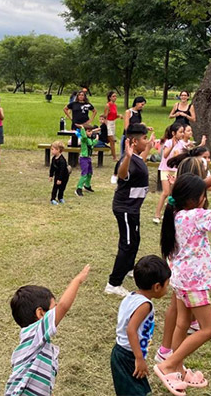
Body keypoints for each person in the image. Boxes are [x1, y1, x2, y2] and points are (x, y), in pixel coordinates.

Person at [153, 174, 211, 394]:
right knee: (209, 329)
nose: (205, 197)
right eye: (203, 195)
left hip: (181, 279)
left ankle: (177, 366)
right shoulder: (197, 215)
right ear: (193, 199)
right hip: (194, 283)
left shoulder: (177, 215)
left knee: (183, 323)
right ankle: (168, 365)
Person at [5, 265, 90, 396]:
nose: (56, 312)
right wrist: (77, 280)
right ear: (40, 313)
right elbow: (64, 306)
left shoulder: (32, 339)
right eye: (53, 309)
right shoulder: (35, 333)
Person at [105, 123, 155, 297]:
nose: (146, 141)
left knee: (135, 240)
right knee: (126, 244)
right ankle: (113, 283)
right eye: (143, 139)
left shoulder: (138, 158)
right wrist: (126, 156)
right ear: (133, 141)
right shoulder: (128, 160)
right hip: (125, 208)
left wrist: (148, 146)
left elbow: (141, 161)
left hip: (133, 209)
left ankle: (128, 268)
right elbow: (122, 174)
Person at [111, 255, 171, 396]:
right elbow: (131, 329)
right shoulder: (144, 305)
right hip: (128, 356)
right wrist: (139, 358)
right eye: (167, 284)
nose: (168, 288)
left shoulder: (131, 297)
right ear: (157, 286)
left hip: (122, 353)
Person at [154, 123, 187, 224]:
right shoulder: (168, 142)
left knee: (172, 194)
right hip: (165, 169)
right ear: (173, 133)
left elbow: (183, 155)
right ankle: (157, 214)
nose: (182, 134)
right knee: (165, 192)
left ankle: (168, 214)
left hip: (175, 170)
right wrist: (172, 145)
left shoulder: (182, 144)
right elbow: (165, 156)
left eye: (183, 132)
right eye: (180, 132)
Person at [75, 123, 100, 197]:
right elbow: (84, 137)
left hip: (88, 158)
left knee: (89, 173)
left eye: (91, 131)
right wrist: (82, 128)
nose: (91, 133)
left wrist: (96, 140)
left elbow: (91, 144)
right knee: (84, 174)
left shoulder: (89, 139)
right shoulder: (84, 139)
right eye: (89, 131)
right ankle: (78, 188)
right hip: (83, 158)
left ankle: (87, 186)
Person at [103, 91, 123, 160]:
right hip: (108, 122)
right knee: (112, 140)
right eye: (113, 96)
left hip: (113, 123)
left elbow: (114, 116)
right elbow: (105, 116)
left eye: (115, 96)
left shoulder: (115, 105)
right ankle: (114, 157)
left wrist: (119, 116)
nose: (115, 98)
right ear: (110, 97)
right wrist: (106, 125)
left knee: (112, 140)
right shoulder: (108, 105)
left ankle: (113, 154)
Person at [49, 140, 69, 205]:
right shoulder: (54, 158)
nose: (51, 151)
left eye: (53, 149)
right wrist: (51, 175)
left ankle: (60, 198)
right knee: (55, 187)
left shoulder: (62, 160)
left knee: (62, 188)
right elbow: (52, 168)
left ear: (58, 150)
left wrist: (60, 179)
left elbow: (62, 170)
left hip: (64, 176)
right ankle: (53, 199)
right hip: (57, 175)